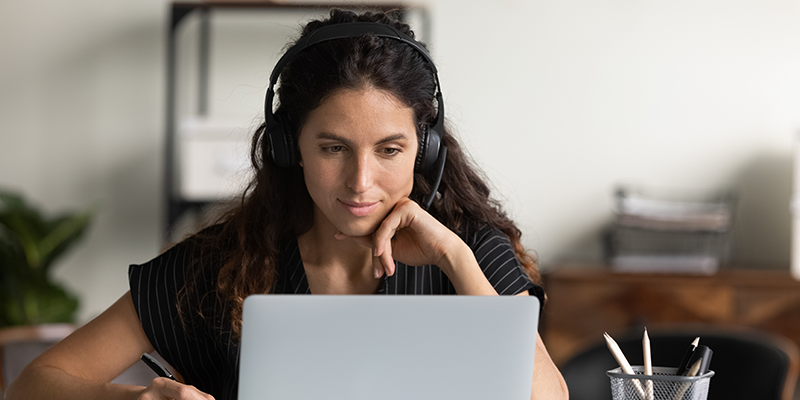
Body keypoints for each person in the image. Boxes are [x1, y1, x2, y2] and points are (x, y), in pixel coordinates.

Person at [6, 9, 568, 400]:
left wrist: (454, 257)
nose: (361, 182)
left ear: (426, 150)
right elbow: (33, 383)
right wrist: (135, 399)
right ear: (288, 146)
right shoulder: (221, 265)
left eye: (390, 150)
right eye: (333, 148)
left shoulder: (469, 251)